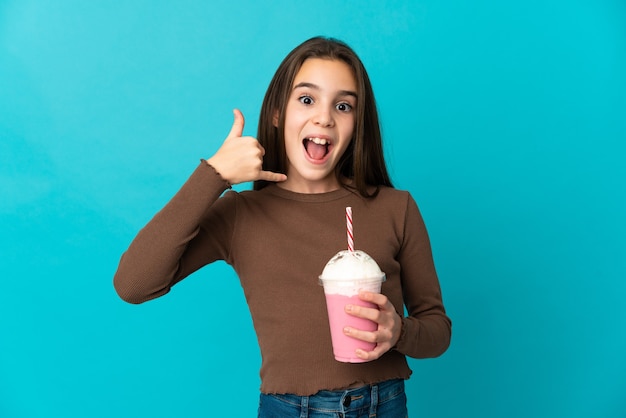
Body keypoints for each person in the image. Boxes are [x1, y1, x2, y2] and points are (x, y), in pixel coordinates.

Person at [114, 36, 451, 417]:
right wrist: (214, 176)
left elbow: (438, 330)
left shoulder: (395, 207)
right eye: (307, 99)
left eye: (342, 106)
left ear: (357, 125)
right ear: (277, 113)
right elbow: (133, 284)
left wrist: (398, 332)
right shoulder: (241, 214)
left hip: (384, 404)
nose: (324, 117)